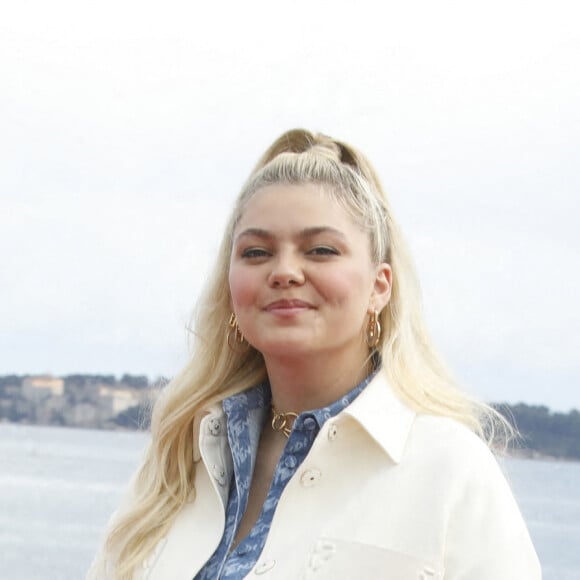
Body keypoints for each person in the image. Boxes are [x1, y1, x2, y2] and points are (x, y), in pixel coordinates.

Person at [88, 129, 541, 579]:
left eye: (321, 250)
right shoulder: (180, 460)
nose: (284, 271)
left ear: (379, 286)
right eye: (257, 251)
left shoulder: (448, 468)